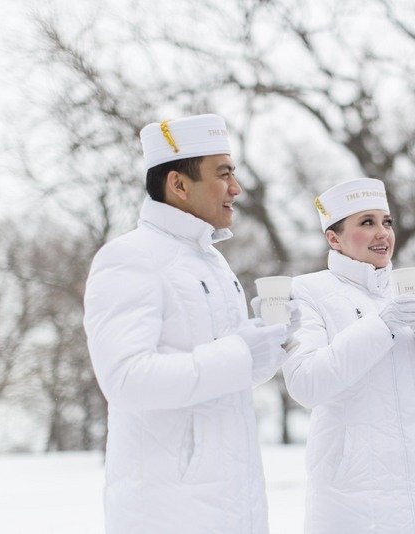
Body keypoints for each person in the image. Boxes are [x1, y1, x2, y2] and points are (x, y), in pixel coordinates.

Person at [83, 113, 290, 534]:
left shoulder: (212, 262)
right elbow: (125, 378)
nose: (236, 188)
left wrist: (269, 344)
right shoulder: (130, 257)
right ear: (178, 184)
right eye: (224, 174)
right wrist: (239, 352)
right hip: (167, 511)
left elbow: (226, 376)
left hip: (235, 504)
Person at [283, 178, 415, 533]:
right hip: (355, 497)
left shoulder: (412, 290)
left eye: (386, 222)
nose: (382, 233)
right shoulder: (307, 291)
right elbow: (307, 383)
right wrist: (381, 324)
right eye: (366, 222)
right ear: (333, 238)